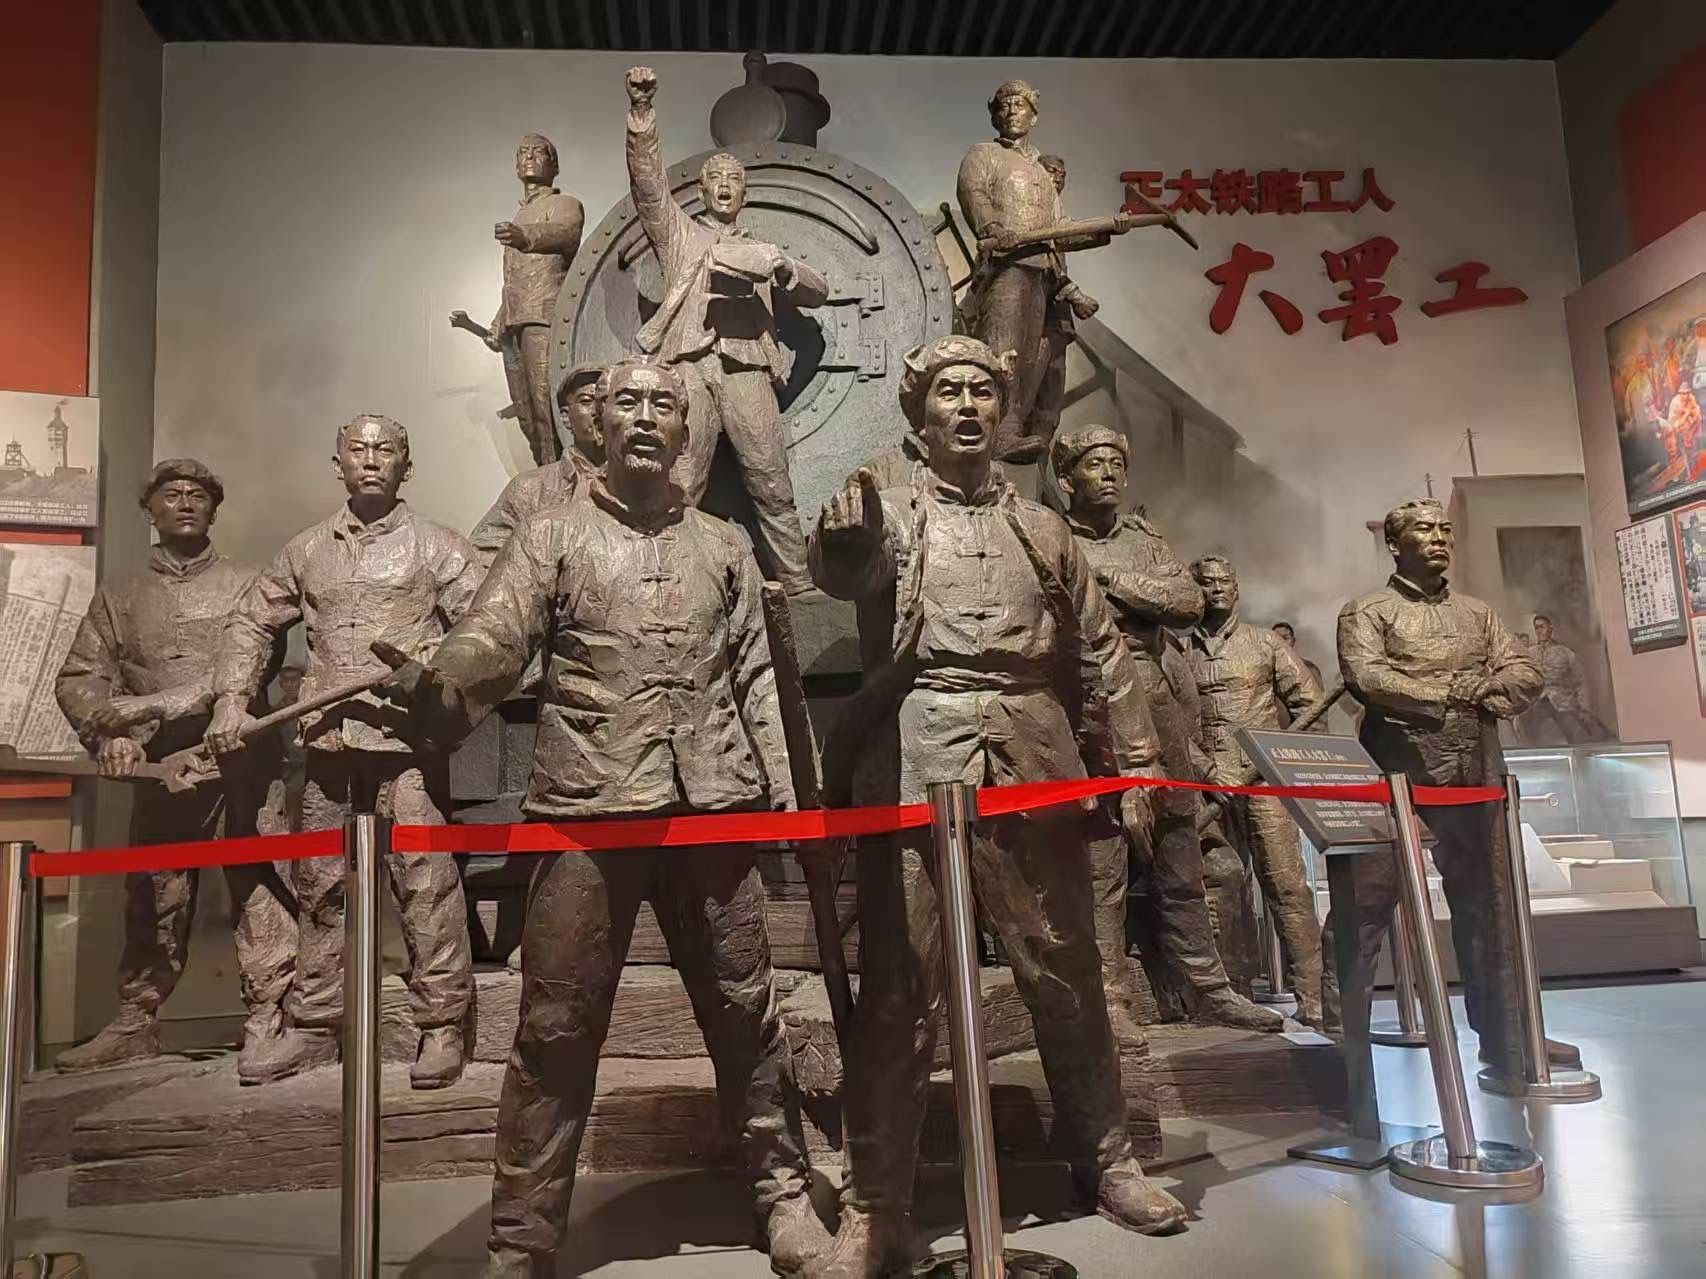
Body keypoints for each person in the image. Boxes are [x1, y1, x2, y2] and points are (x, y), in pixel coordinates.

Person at [372, 357, 826, 1277]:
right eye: (628, 402)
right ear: (599, 423)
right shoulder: (552, 536)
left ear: (688, 428)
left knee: (746, 1013)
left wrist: (783, 784)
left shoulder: (724, 544)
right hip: (589, 809)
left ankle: (783, 1196)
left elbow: (756, 672)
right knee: (555, 1029)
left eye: (664, 404)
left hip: (711, 809)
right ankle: (522, 1237)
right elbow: (494, 636)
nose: (646, 417)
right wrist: (444, 679)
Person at [806, 336, 1188, 1276]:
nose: (969, 406)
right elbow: (846, 566)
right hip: (918, 746)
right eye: (949, 391)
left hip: (1035, 746)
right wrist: (842, 539)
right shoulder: (889, 509)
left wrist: (1138, 758)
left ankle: (1106, 1159)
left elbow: (1101, 648)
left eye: (983, 390)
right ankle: (877, 1203)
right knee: (901, 983)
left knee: (1067, 968)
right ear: (920, 416)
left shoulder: (1045, 529)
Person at [209, 415, 478, 1088]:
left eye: (385, 450)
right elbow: (251, 622)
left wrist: (431, 670)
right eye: (358, 449)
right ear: (339, 464)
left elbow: (485, 631)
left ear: (406, 466)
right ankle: (317, 1024)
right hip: (327, 742)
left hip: (406, 744)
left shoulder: (439, 547)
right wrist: (231, 700)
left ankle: (443, 1023)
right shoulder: (306, 551)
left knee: (424, 880)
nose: (371, 460)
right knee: (321, 883)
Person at [53, 460, 297, 1080]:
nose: (184, 503)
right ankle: (136, 1019)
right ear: (149, 509)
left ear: (214, 509)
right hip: (163, 771)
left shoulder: (249, 584)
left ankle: (270, 1014)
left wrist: (174, 706)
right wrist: (113, 735)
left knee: (260, 886)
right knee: (154, 894)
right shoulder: (120, 595)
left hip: (242, 764)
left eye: (197, 495)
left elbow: (256, 664)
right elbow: (80, 678)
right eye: (170, 494)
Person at [1324, 499, 1579, 1078]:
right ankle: (1342, 1044)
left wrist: (1489, 690)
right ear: (1395, 545)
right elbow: (1367, 676)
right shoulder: (1368, 611)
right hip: (1397, 774)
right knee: (1364, 904)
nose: (1439, 537)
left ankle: (1509, 1037)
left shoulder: (1478, 613)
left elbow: (1524, 671)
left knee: (1492, 904)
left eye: (1444, 529)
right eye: (1424, 529)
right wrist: (1451, 691)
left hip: (1476, 772)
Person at [1054, 426, 1284, 1037]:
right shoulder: (1050, 534)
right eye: (1094, 464)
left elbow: (1185, 603)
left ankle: (1208, 987)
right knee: (1101, 851)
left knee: (1179, 844)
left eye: (1116, 463)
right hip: (1086, 698)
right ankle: (1109, 995)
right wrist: (1135, 602)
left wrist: (1110, 584)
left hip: (1155, 692)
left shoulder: (1144, 539)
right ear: (1067, 478)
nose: (1109, 474)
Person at [624, 65, 828, 593]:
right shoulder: (681, 238)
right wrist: (642, 116)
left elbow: (818, 290)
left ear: (744, 194)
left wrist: (781, 267)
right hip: (690, 369)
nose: (723, 187)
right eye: (715, 180)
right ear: (702, 191)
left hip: (746, 370)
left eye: (733, 181)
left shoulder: (762, 248)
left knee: (770, 478)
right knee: (682, 481)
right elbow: (649, 189)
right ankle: (667, 586)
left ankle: (798, 580)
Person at [957, 80, 1137, 462]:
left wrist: (1105, 231)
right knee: (1001, 348)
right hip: (1005, 266)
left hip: (1039, 271)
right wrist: (992, 227)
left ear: (1033, 116)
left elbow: (1060, 229)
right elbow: (972, 192)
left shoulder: (1041, 174)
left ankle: (1010, 430)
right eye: (1004, 106)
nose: (1011, 112)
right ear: (994, 115)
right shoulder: (983, 154)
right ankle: (991, 432)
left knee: (1027, 358)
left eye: (1019, 105)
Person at [1186, 557, 1326, 1025]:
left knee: (1286, 887)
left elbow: (1310, 705)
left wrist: (1278, 758)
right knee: (1222, 888)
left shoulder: (1266, 644)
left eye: (1224, 581)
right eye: (1206, 582)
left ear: (1237, 588)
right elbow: (1168, 721)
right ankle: (1237, 993)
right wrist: (1207, 771)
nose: (1216, 589)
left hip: (1262, 784)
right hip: (1204, 788)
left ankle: (1314, 996)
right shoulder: (1177, 651)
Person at [486, 133, 585, 467]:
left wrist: (525, 236)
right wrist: (500, 318)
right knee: (525, 411)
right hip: (514, 321)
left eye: (538, 152)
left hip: (543, 316)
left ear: (553, 165)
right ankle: (546, 474)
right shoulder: (519, 215)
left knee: (547, 407)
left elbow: (567, 234)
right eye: (522, 152)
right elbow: (518, 279)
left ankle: (561, 476)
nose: (529, 157)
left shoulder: (565, 204)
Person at [469, 361, 607, 578]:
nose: (597, 411)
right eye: (586, 401)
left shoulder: (647, 486)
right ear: (565, 417)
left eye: (607, 401)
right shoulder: (531, 488)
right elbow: (482, 561)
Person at [1526, 613, 1609, 744]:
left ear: (1550, 628)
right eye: (1536, 628)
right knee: (1531, 735)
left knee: (1577, 735)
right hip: (1538, 704)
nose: (1539, 631)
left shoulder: (1566, 653)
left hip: (1563, 704)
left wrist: (1583, 708)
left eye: (1542, 627)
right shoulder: (1529, 653)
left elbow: (1579, 682)